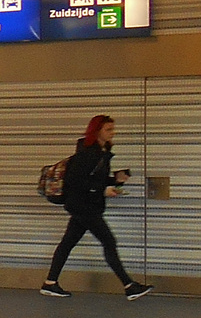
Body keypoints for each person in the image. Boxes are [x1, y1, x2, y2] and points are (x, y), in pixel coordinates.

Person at [43, 115, 154, 300]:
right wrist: (102, 190)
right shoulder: (88, 153)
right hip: (83, 207)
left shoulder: (102, 152)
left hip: (84, 206)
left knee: (68, 243)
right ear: (97, 131)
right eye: (108, 129)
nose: (113, 132)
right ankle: (129, 286)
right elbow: (74, 181)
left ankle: (50, 283)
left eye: (113, 129)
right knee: (109, 242)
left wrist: (115, 180)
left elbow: (95, 180)